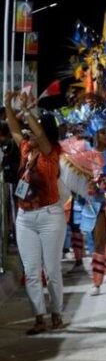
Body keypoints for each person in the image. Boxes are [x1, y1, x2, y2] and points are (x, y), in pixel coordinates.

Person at [5, 91, 65, 334]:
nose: (30, 133)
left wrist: (26, 110)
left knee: (51, 270)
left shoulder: (51, 152)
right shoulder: (26, 149)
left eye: (37, 129)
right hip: (25, 217)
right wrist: (8, 106)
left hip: (50, 216)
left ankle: (56, 313)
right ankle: (39, 317)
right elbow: (14, 129)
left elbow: (38, 133)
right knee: (31, 271)